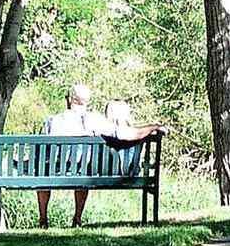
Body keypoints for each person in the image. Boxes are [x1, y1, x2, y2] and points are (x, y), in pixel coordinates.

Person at [37, 84, 163, 227]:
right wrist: (153, 126)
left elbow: (41, 151)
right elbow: (127, 134)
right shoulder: (95, 120)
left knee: (44, 170)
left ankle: (43, 220)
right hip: (81, 172)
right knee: (83, 169)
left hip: (53, 172)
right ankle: (77, 218)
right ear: (87, 102)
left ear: (68, 100)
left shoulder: (52, 121)